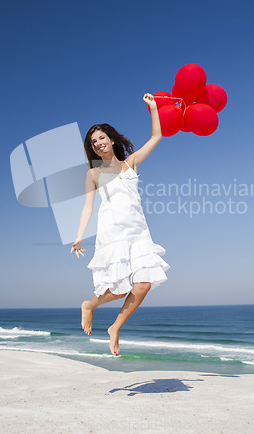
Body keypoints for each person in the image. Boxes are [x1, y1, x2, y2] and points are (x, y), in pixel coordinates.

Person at [70, 93, 170, 356]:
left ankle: (114, 328)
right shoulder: (93, 174)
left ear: (112, 139)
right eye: (94, 142)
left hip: (138, 233)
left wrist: (154, 108)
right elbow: (88, 207)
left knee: (143, 284)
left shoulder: (130, 163)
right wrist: (79, 236)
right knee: (118, 288)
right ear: (92, 148)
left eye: (102, 138)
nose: (99, 143)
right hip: (112, 233)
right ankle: (89, 305)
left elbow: (157, 137)